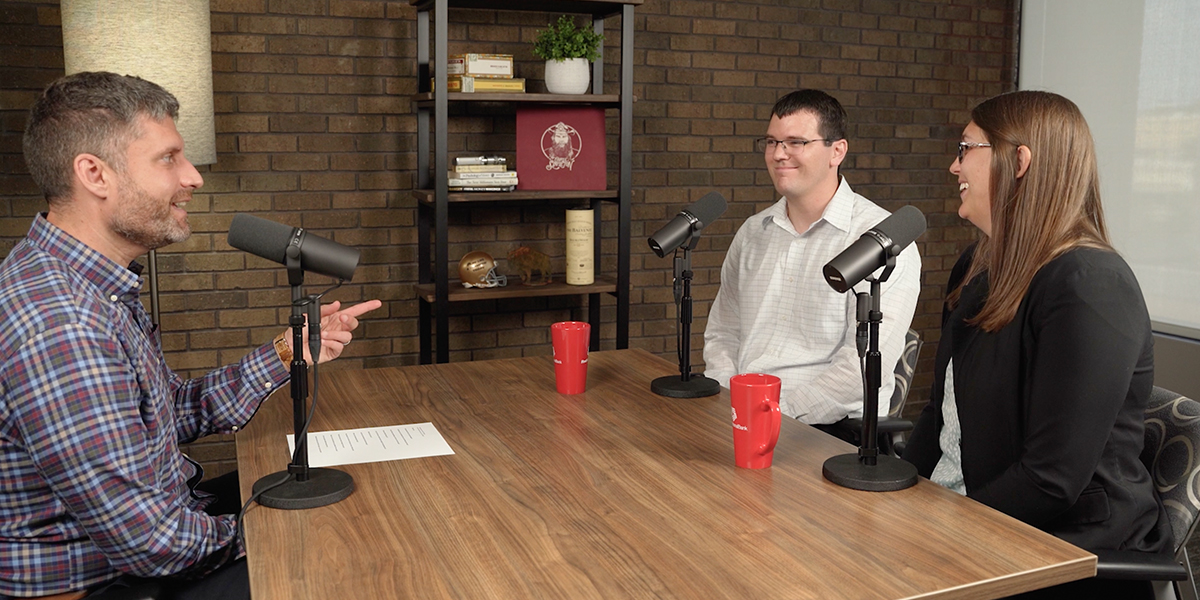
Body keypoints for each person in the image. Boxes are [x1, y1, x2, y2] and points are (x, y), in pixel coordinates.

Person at [0, 71, 382, 599]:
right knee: (354, 562)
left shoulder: (85, 284)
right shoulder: (59, 325)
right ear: (94, 174)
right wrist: (280, 535)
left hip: (158, 535)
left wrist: (285, 353)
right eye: (168, 158)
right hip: (108, 583)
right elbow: (152, 542)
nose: (193, 177)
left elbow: (167, 413)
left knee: (346, 494)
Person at [901, 90, 1172, 599]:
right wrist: (894, 501)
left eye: (966, 148)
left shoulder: (1091, 282)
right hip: (973, 517)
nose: (952, 164)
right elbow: (940, 415)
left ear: (1019, 160)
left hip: (1061, 551)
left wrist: (936, 528)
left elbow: (1051, 481)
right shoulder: (977, 266)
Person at [702, 89, 921, 426]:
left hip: (829, 430)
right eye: (772, 142)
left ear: (837, 151)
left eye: (795, 142)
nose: (778, 154)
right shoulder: (751, 233)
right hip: (740, 418)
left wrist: (774, 414)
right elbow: (723, 334)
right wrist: (729, 405)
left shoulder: (882, 242)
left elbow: (857, 371)